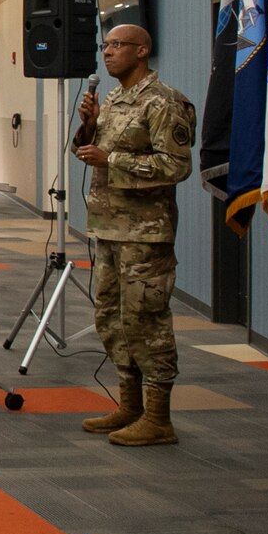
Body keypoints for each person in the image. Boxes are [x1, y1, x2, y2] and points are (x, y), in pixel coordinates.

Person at [74, 25, 194, 447]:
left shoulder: (164, 102)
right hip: (108, 226)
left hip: (146, 233)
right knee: (111, 316)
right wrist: (88, 127)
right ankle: (130, 405)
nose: (107, 53)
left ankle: (158, 418)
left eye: (116, 45)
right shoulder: (113, 99)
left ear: (142, 51)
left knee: (147, 320)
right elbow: (88, 152)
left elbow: (176, 166)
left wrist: (114, 158)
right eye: (104, 45)